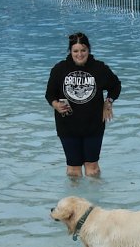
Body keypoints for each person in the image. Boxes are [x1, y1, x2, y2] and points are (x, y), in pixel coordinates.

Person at [45, 32, 121, 177]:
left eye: (83, 50)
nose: (80, 54)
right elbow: (49, 94)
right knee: (73, 170)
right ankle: (74, 199)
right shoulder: (59, 69)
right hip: (67, 125)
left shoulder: (99, 68)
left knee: (92, 168)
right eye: (76, 51)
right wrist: (55, 104)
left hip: (94, 125)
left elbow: (115, 86)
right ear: (70, 51)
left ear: (88, 50)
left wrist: (108, 102)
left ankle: (94, 198)